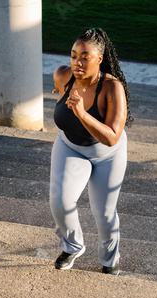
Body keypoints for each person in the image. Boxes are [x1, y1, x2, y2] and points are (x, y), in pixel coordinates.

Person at [50, 28, 134, 276]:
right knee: (60, 201)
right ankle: (72, 246)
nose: (77, 61)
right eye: (74, 55)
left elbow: (111, 137)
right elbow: (57, 89)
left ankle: (110, 261)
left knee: (104, 213)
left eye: (85, 56)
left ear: (99, 59)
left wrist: (81, 113)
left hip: (108, 154)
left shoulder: (111, 88)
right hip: (69, 145)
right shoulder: (62, 76)